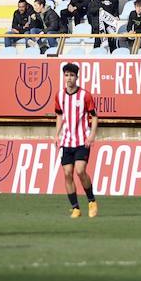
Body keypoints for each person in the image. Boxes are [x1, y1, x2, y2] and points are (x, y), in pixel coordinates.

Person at [55, 63, 99, 219]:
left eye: (72, 75)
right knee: (67, 174)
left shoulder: (85, 95)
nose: (69, 78)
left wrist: (92, 135)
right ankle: (75, 208)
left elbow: (94, 116)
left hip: (82, 141)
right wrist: (57, 134)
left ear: (77, 77)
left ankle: (91, 201)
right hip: (66, 141)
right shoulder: (59, 95)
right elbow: (59, 115)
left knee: (80, 171)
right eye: (66, 75)